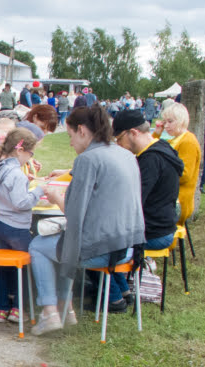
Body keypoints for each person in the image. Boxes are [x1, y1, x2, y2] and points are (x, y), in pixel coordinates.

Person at [29, 105, 145, 335]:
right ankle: (66, 308)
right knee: (63, 240)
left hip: (103, 249)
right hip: (129, 246)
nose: (70, 143)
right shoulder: (126, 154)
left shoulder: (88, 160)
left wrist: (55, 196)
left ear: (82, 130)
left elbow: (73, 212)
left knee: (39, 246)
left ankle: (50, 311)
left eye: (70, 136)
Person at [0, 128, 44, 323]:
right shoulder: (17, 174)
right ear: (21, 150)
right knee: (24, 267)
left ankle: (1, 308)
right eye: (30, 154)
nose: (30, 158)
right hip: (17, 227)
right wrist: (38, 191)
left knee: (4, 266)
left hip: (0, 223)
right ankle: (19, 308)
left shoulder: (0, 167)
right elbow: (22, 203)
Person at [113, 110, 183, 251]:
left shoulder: (150, 160)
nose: (118, 144)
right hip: (162, 226)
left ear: (133, 133)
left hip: (154, 232)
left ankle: (127, 272)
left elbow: (132, 202)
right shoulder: (162, 147)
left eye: (119, 138)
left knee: (95, 244)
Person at [153, 103, 201, 225]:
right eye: (165, 122)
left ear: (181, 121)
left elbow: (185, 175)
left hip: (178, 201)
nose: (166, 125)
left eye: (170, 121)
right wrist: (157, 133)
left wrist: (159, 175)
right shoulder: (175, 140)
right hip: (170, 197)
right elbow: (151, 149)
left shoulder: (187, 142)